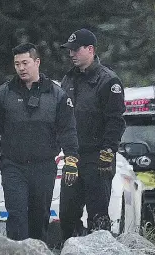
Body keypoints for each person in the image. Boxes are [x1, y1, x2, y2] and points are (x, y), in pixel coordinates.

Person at [0, 43, 79, 242]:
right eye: (17, 64)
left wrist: (71, 160)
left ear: (37, 62)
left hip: (44, 165)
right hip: (13, 165)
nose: (21, 68)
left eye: (25, 63)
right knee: (17, 215)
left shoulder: (57, 96)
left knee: (39, 216)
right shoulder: (3, 94)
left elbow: (68, 131)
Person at [59, 28, 126, 240]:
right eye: (69, 50)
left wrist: (108, 151)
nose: (71, 54)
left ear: (90, 49)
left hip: (98, 157)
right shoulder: (68, 79)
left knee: (98, 215)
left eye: (76, 50)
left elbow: (115, 121)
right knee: (67, 214)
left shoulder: (108, 81)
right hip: (73, 156)